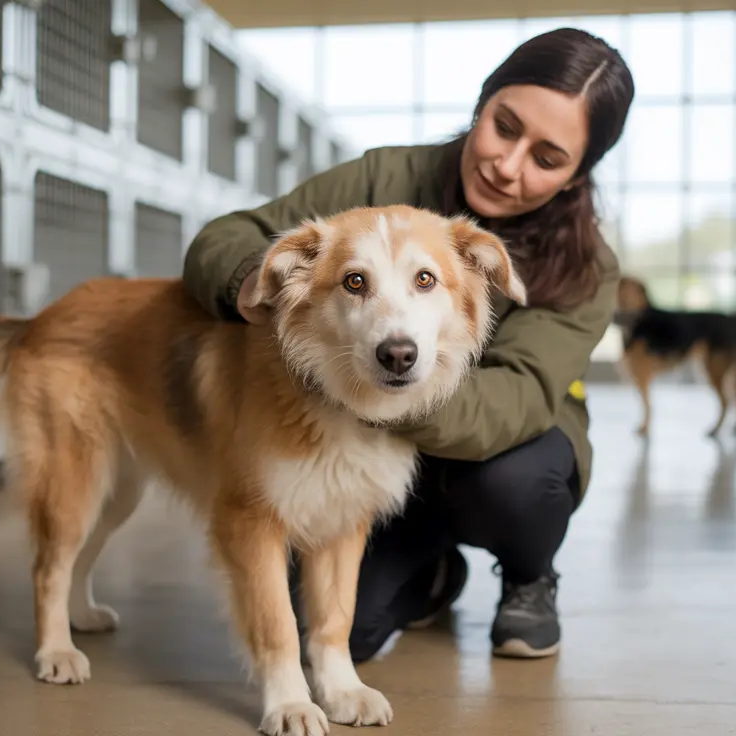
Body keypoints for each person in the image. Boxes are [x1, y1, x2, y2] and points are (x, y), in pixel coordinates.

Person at [181, 27, 634, 661]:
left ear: (576, 175)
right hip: (358, 446)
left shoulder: (588, 266)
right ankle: (432, 572)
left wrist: (376, 376)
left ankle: (530, 575)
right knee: (348, 632)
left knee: (517, 482)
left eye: (547, 158)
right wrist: (255, 288)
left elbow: (516, 398)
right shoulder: (383, 177)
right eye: (505, 126)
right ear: (482, 105)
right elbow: (225, 239)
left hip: (485, 456)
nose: (508, 165)